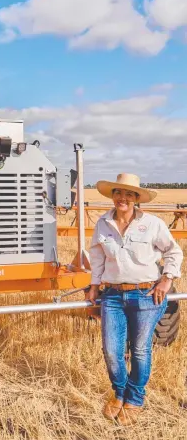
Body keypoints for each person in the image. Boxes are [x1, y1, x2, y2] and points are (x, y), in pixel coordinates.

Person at [85, 173, 183, 426]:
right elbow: (97, 257)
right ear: (113, 196)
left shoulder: (152, 224)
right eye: (119, 193)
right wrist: (95, 285)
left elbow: (173, 251)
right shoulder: (103, 224)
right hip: (113, 296)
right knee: (111, 351)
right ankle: (119, 393)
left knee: (139, 350)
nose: (123, 198)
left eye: (129, 194)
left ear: (137, 199)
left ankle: (135, 399)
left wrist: (167, 279)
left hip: (145, 294)